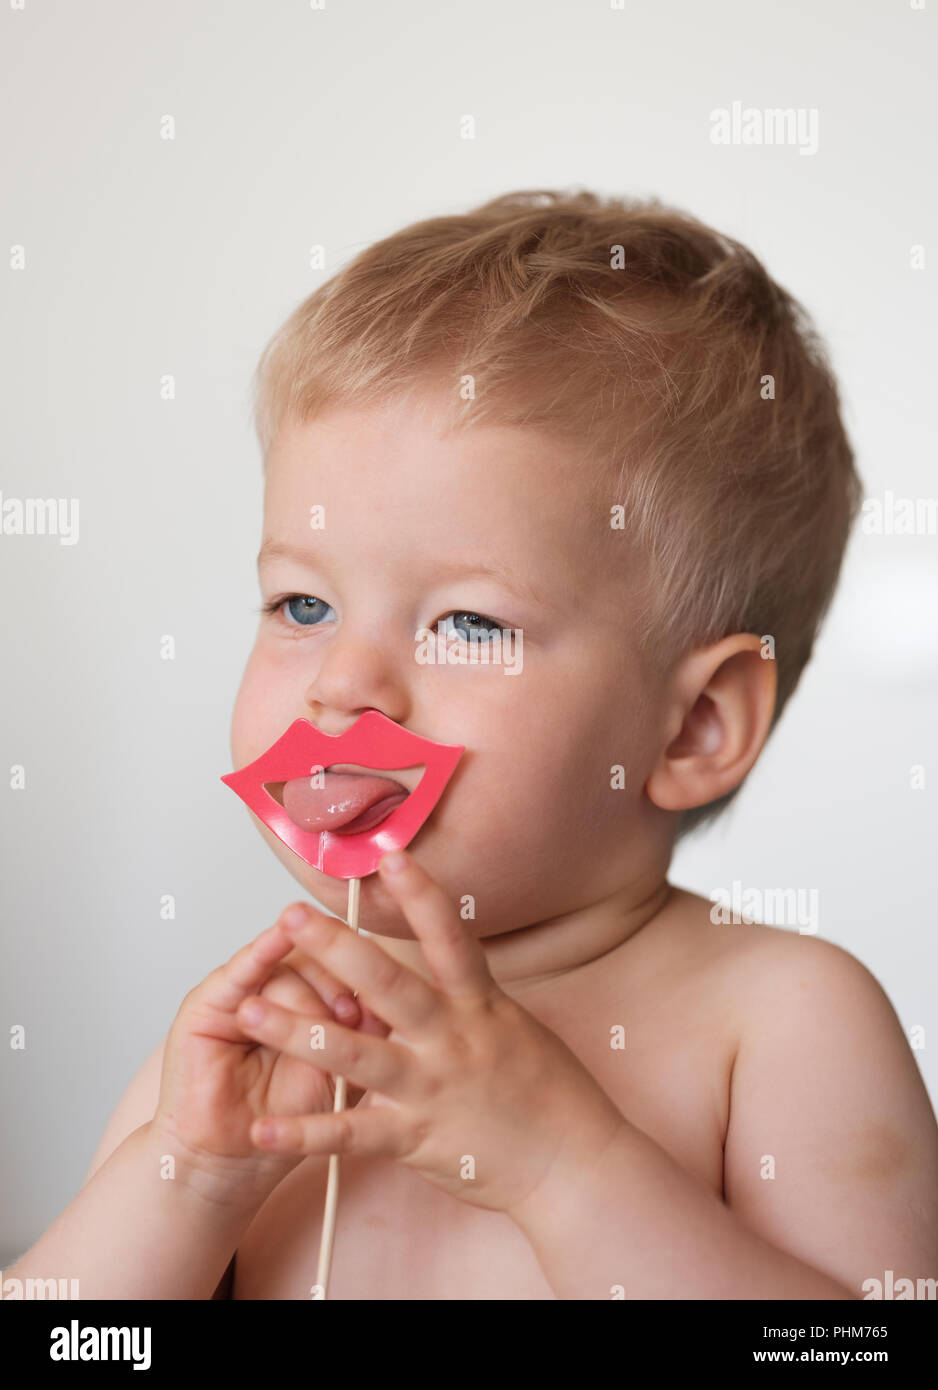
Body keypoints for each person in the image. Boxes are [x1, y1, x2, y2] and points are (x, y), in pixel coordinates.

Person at [9, 190, 938, 1299]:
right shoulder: (258, 1036)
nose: (343, 684)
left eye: (466, 623)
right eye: (302, 606)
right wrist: (189, 1177)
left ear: (693, 724)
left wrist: (562, 1167)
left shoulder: (779, 1018)